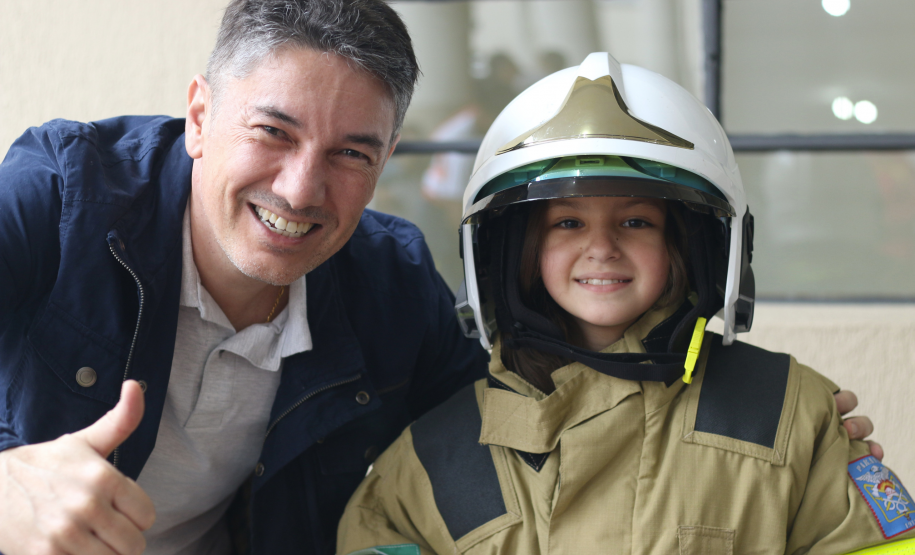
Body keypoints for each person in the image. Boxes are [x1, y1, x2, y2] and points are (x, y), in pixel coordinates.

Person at [336, 53, 914, 554]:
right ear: (513, 251)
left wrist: (803, 427)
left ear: (691, 245)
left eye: (636, 221)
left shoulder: (785, 412)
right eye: (568, 222)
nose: (602, 248)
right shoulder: (430, 462)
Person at [0, 1, 492, 554]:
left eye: (351, 153)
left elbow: (493, 445)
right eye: (273, 131)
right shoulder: (61, 194)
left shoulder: (394, 285)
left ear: (385, 161)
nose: (299, 191)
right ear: (199, 117)